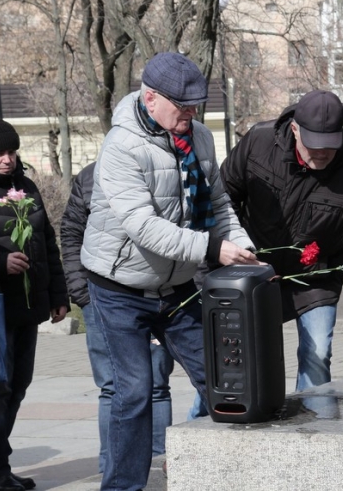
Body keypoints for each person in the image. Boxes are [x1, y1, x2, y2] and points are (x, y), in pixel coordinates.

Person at [80, 52, 261, 491]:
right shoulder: (121, 146)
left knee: (223, 375)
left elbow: (217, 205)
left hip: (177, 285)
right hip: (118, 287)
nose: (192, 114)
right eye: (183, 106)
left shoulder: (199, 137)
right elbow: (144, 228)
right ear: (151, 98)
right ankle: (123, 487)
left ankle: (237, 477)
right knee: (135, 391)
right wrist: (213, 248)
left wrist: (244, 247)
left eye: (196, 105)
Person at [220, 89, 343, 396]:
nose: (322, 153)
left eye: (330, 146)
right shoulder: (259, 143)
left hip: (316, 278)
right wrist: (233, 250)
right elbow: (221, 199)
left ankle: (310, 434)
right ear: (295, 129)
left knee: (317, 356)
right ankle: (202, 429)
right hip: (255, 272)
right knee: (235, 361)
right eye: (314, 146)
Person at [0, 117, 69, 491]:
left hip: (27, 303)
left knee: (19, 385)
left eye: (11, 151)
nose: (7, 159)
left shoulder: (27, 186)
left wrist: (58, 295)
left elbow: (47, 244)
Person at [60, 161, 176, 473]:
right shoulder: (90, 176)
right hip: (102, 299)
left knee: (155, 385)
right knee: (113, 387)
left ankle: (156, 465)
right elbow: (71, 233)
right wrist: (82, 293)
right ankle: (112, 468)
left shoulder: (166, 168)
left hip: (157, 295)